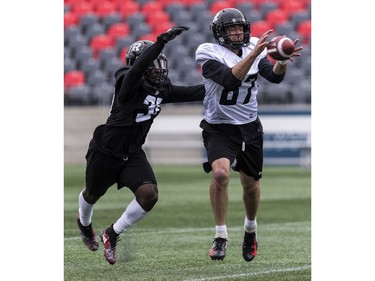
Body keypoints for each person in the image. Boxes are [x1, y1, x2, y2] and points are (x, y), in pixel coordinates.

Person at [76, 26, 205, 265]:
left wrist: (231, 82)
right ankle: (84, 224)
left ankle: (112, 233)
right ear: (140, 65)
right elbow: (134, 73)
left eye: (160, 64)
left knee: (149, 195)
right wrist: (159, 43)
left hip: (132, 152)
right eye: (153, 64)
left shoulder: (161, 89)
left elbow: (195, 91)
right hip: (106, 150)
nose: (158, 70)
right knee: (92, 194)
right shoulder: (126, 80)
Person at [195, 8, 303, 262]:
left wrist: (282, 59)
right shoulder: (208, 52)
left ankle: (250, 230)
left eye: (240, 28)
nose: (237, 32)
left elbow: (273, 77)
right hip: (219, 126)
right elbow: (229, 80)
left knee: (251, 187)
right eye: (231, 28)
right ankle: (220, 235)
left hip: (249, 126)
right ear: (219, 33)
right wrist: (254, 53)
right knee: (220, 173)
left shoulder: (254, 46)